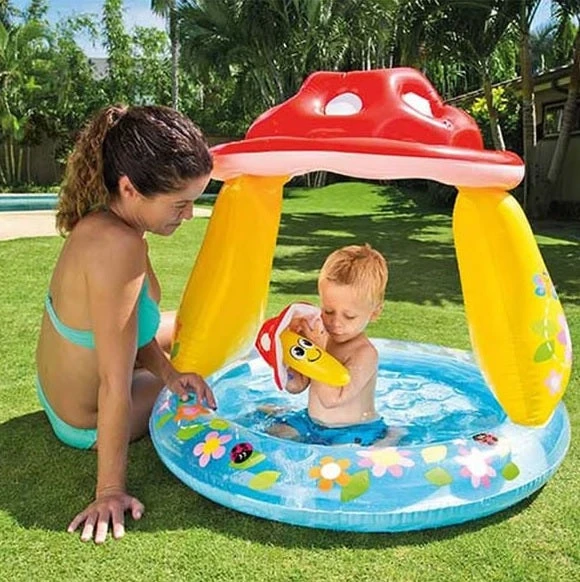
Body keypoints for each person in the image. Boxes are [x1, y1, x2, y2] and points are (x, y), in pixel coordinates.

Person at [35, 105, 217, 544]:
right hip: (86, 420)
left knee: (188, 332)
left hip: (58, 392)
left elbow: (129, 329)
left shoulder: (108, 220)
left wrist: (169, 372)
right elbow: (114, 383)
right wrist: (109, 491)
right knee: (215, 367)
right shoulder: (118, 248)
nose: (189, 215)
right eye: (180, 204)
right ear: (130, 188)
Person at [266, 244, 389, 446]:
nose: (335, 323)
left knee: (340, 460)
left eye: (349, 316)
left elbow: (331, 400)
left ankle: (392, 435)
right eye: (328, 311)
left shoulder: (365, 354)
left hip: (353, 430)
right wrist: (285, 352)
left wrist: (317, 350)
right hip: (311, 422)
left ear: (374, 312)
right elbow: (296, 386)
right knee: (271, 434)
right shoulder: (321, 335)